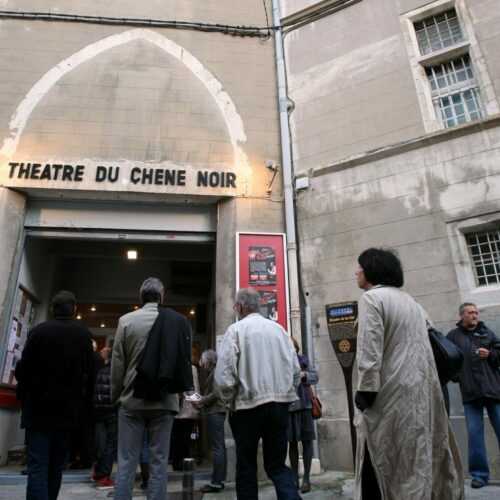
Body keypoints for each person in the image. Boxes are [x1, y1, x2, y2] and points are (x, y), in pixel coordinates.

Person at [354, 248, 463, 500]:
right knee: (416, 463)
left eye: (360, 266)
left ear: (371, 270)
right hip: (420, 393)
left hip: (389, 396)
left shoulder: (372, 299)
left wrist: (366, 391)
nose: (356, 271)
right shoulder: (412, 302)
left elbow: (370, 351)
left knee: (381, 461)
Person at [215, 287, 302, 500]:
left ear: (239, 307)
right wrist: (286, 393)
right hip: (279, 407)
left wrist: (230, 401)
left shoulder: (235, 330)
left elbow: (224, 377)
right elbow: (296, 372)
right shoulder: (279, 330)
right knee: (277, 466)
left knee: (246, 468)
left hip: (247, 408)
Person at [111, 277, 192, 500]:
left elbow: (118, 365)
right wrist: (180, 398)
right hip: (165, 401)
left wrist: (116, 395)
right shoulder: (179, 321)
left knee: (126, 461)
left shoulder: (126, 321)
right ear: (162, 297)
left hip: (132, 400)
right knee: (159, 462)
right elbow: (182, 363)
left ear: (141, 297)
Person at [15, 290, 94, 500]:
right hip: (68, 413)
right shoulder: (83, 335)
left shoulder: (39, 332)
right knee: (56, 467)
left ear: (52, 309)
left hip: (38, 410)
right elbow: (90, 373)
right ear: (74, 309)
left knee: (38, 466)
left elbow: (24, 369)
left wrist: (23, 397)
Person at [447, 302, 500, 489]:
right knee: (474, 434)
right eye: (470, 313)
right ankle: (479, 475)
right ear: (462, 316)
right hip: (471, 393)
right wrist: (457, 376)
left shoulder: (487, 333)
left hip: (493, 391)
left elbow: (499, 353)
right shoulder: (453, 336)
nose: (475, 315)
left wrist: (491, 354)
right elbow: (447, 360)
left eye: (476, 312)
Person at [288, 337, 319, 494]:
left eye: (293, 347)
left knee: (307, 442)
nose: (291, 350)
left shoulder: (304, 361)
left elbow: (315, 377)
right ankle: (294, 479)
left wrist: (303, 375)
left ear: (296, 348)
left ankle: (306, 479)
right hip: (290, 407)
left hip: (305, 406)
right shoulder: (282, 363)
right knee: (292, 443)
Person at [194, 349, 228, 493]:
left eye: (204, 362)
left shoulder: (216, 374)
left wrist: (202, 399)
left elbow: (217, 393)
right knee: (219, 447)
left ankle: (216, 483)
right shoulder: (216, 373)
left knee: (217, 448)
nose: (203, 366)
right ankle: (219, 481)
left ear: (210, 361)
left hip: (215, 412)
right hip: (216, 412)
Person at [92, 349, 117, 490]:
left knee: (101, 443)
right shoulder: (117, 371)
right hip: (112, 411)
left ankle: (97, 471)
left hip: (99, 411)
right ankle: (104, 477)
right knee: (110, 444)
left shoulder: (102, 370)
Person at [170, 359, 201, 471]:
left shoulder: (171, 366)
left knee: (175, 438)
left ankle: (175, 463)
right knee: (185, 439)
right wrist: (199, 404)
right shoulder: (192, 369)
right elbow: (193, 390)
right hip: (187, 409)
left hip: (173, 408)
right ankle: (185, 464)